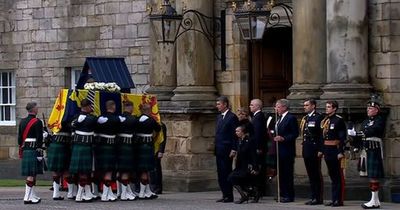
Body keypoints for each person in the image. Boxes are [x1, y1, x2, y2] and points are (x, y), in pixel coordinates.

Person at [348, 100, 386, 209]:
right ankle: (375, 200)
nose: (368, 110)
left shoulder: (380, 120)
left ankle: (374, 201)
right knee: (370, 175)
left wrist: (358, 133)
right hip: (366, 150)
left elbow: (375, 130)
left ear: (376, 110)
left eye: (370, 108)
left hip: (374, 148)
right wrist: (355, 143)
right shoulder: (365, 121)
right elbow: (361, 136)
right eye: (367, 108)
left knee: (374, 175)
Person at [69, 99, 97, 202]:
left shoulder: (76, 117)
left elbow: (71, 125)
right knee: (84, 172)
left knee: (85, 171)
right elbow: (95, 124)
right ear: (88, 106)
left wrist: (77, 120)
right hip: (85, 147)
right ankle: (79, 195)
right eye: (90, 106)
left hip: (78, 146)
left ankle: (88, 193)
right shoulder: (91, 118)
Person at [321, 100, 346, 207]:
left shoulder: (338, 120)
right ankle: (333, 198)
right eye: (326, 107)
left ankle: (338, 200)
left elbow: (342, 138)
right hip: (327, 149)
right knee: (332, 175)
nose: (327, 109)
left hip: (335, 149)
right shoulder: (326, 120)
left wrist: (340, 151)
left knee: (337, 176)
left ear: (334, 108)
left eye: (329, 107)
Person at [18, 102, 45, 204]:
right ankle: (27, 197)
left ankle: (32, 195)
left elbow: (20, 139)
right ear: (33, 109)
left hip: (26, 149)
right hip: (34, 150)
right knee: (31, 174)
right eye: (37, 107)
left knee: (33, 174)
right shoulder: (37, 122)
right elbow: (39, 138)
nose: (38, 109)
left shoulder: (22, 121)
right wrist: (39, 151)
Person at [273, 99, 299, 203]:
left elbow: (294, 133)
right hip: (279, 150)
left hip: (287, 150)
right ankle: (282, 193)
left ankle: (289, 195)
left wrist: (284, 138)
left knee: (287, 174)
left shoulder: (290, 118)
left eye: (278, 107)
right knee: (281, 173)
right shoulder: (279, 118)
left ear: (284, 107)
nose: (276, 109)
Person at [215, 96, 239, 203]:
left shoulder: (232, 117)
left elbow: (235, 135)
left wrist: (234, 148)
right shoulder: (219, 117)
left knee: (226, 172)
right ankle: (224, 194)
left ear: (225, 104)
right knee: (220, 173)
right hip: (219, 149)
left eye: (219, 104)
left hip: (227, 149)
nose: (217, 106)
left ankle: (229, 195)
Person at [95, 100, 120, 202]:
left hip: (101, 147)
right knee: (109, 171)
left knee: (103, 171)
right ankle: (105, 195)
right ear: (113, 107)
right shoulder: (116, 119)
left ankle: (108, 193)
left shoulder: (100, 118)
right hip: (111, 147)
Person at [301, 99, 324, 205]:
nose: (304, 107)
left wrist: (320, 149)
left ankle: (318, 197)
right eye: (304, 105)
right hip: (307, 148)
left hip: (314, 149)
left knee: (316, 174)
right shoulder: (306, 118)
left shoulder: (318, 117)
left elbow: (321, 135)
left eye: (307, 105)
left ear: (313, 106)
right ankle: (313, 196)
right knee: (310, 174)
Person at [136, 103, 161, 199]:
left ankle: (147, 190)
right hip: (147, 145)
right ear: (149, 110)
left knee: (143, 169)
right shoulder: (151, 120)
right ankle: (142, 192)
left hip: (139, 145)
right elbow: (158, 129)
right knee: (145, 169)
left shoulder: (137, 120)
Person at [228, 125, 258, 204]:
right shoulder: (239, 140)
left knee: (233, 178)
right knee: (233, 179)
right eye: (235, 131)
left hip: (247, 165)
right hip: (240, 165)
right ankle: (252, 193)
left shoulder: (249, 141)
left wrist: (255, 167)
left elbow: (253, 154)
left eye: (238, 131)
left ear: (243, 132)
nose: (236, 133)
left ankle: (245, 195)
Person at [116, 101, 138, 201]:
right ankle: (124, 194)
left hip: (118, 145)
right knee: (126, 170)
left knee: (119, 170)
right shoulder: (133, 119)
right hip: (128, 145)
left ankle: (120, 192)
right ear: (131, 107)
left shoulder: (118, 118)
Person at [47, 119, 73, 200]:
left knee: (56, 171)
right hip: (64, 145)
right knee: (66, 170)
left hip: (54, 144)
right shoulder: (66, 121)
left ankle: (56, 193)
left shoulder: (55, 119)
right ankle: (71, 193)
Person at [249, 99, 266, 202]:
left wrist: (258, 147)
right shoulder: (256, 116)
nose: (250, 106)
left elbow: (258, 134)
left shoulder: (258, 117)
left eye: (252, 105)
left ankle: (258, 192)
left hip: (257, 148)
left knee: (257, 170)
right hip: (254, 147)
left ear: (257, 106)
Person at [150, 122, 167, 194]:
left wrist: (161, 151)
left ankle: (157, 187)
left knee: (156, 169)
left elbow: (162, 139)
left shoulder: (160, 124)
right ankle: (152, 186)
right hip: (150, 148)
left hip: (157, 150)